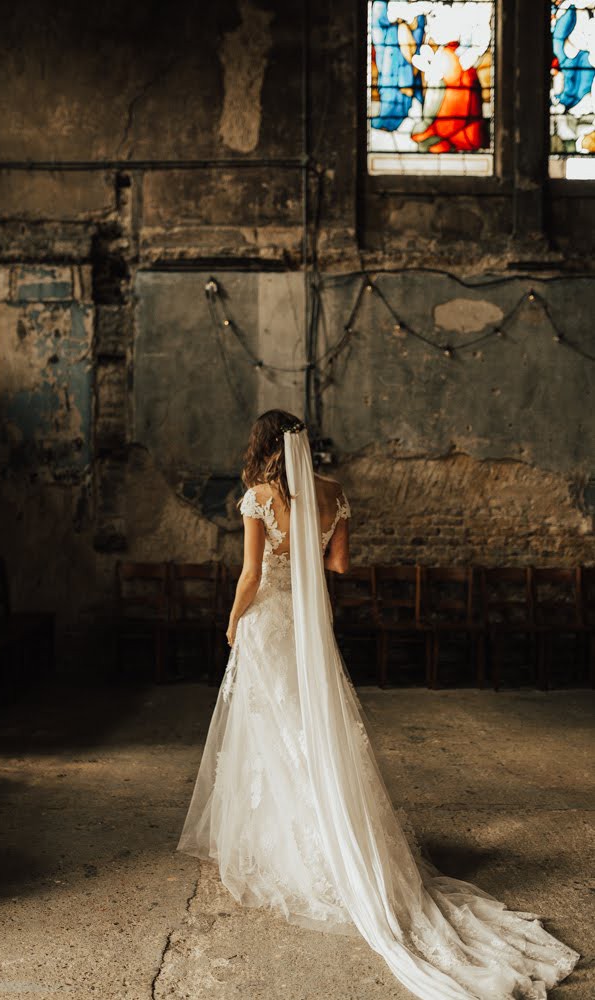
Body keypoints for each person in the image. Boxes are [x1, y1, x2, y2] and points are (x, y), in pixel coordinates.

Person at [176, 409, 579, 999]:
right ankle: (340, 837)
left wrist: (232, 623)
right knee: (317, 730)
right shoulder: (335, 494)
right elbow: (338, 565)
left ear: (263, 447)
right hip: (310, 627)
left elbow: (249, 575)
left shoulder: (258, 498)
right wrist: (310, 556)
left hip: (269, 623)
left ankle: (298, 851)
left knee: (279, 738)